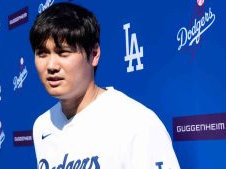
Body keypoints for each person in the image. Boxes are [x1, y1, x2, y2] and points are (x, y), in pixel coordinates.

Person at [30, 2, 180, 169]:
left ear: (94, 54)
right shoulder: (42, 126)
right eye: (42, 54)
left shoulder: (137, 122)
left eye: (63, 53)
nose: (51, 65)